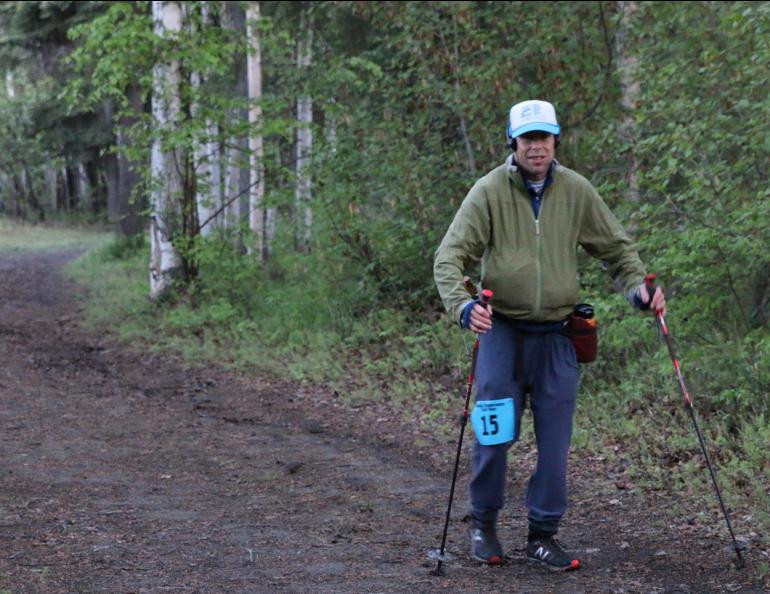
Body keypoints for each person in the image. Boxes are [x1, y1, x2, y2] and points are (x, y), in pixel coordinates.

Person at [433, 99, 666, 571]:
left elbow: (618, 251)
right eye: (527, 138)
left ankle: (542, 535)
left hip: (558, 337)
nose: (535, 146)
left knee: (555, 445)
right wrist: (464, 307)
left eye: (543, 137)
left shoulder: (577, 191)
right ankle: (484, 524)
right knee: (493, 436)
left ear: (555, 140)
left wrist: (639, 291)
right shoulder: (489, 191)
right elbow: (449, 257)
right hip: (501, 335)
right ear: (513, 143)